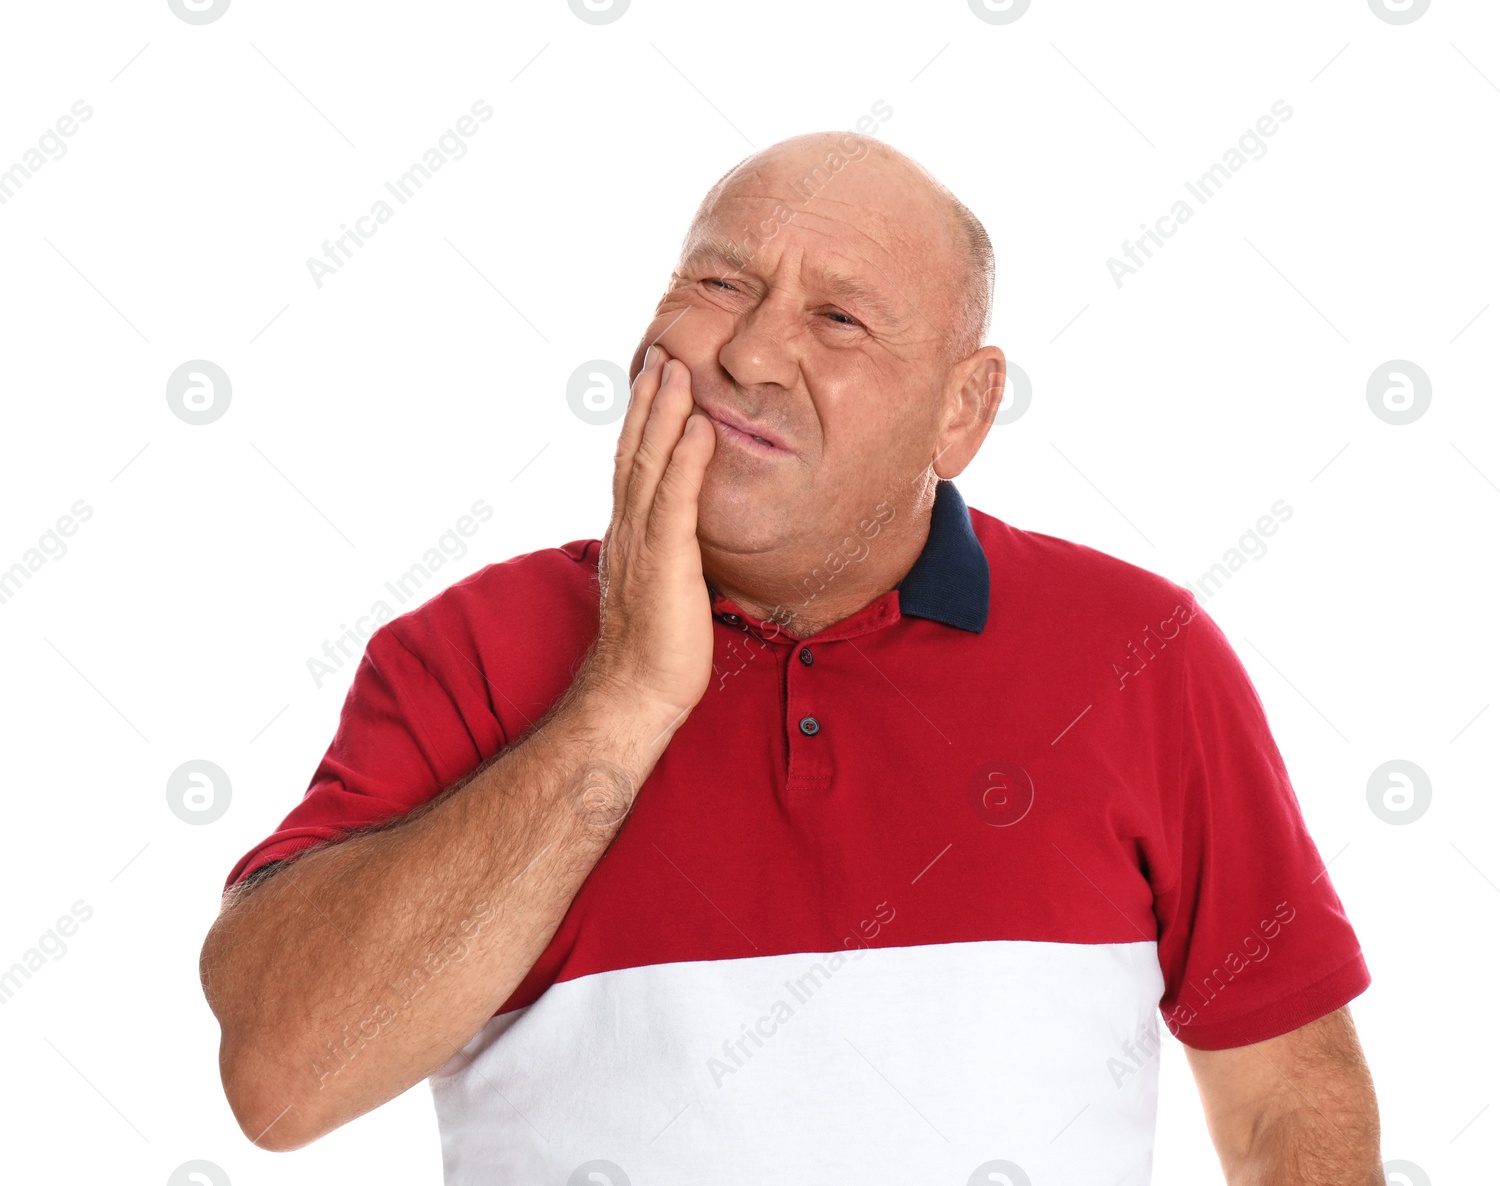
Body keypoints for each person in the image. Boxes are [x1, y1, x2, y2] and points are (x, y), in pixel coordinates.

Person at [200, 130, 1382, 1184]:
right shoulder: (465, 650)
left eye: (839, 319)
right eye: (720, 282)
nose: (751, 355)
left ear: (962, 411)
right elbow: (285, 1083)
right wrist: (623, 696)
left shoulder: (1140, 652)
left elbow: (1287, 1105)